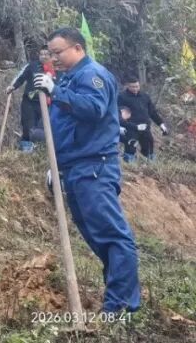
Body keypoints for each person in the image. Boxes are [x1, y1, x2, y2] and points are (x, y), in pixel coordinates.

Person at [36, 27, 140, 314]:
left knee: (111, 234)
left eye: (58, 52)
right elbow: (65, 127)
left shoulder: (93, 75)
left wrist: (56, 91)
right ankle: (117, 298)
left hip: (94, 167)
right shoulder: (69, 78)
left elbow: (94, 109)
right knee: (96, 236)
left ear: (78, 48)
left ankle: (120, 305)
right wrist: (55, 166)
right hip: (73, 167)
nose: (54, 58)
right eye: (51, 53)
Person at [7, 46, 55, 152]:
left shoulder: (55, 68)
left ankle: (40, 151)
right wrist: (13, 86)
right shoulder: (32, 66)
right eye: (41, 54)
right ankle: (26, 150)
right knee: (28, 125)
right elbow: (21, 77)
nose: (43, 56)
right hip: (29, 102)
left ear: (51, 56)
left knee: (43, 128)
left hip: (47, 105)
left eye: (46, 54)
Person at [118, 77, 169, 161]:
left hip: (145, 128)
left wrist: (161, 124)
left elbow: (152, 112)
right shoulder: (121, 97)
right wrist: (121, 127)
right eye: (132, 87)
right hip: (131, 129)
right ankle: (130, 166)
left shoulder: (145, 96)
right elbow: (118, 114)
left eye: (137, 86)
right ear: (128, 86)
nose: (135, 89)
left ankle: (151, 166)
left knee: (149, 149)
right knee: (130, 150)